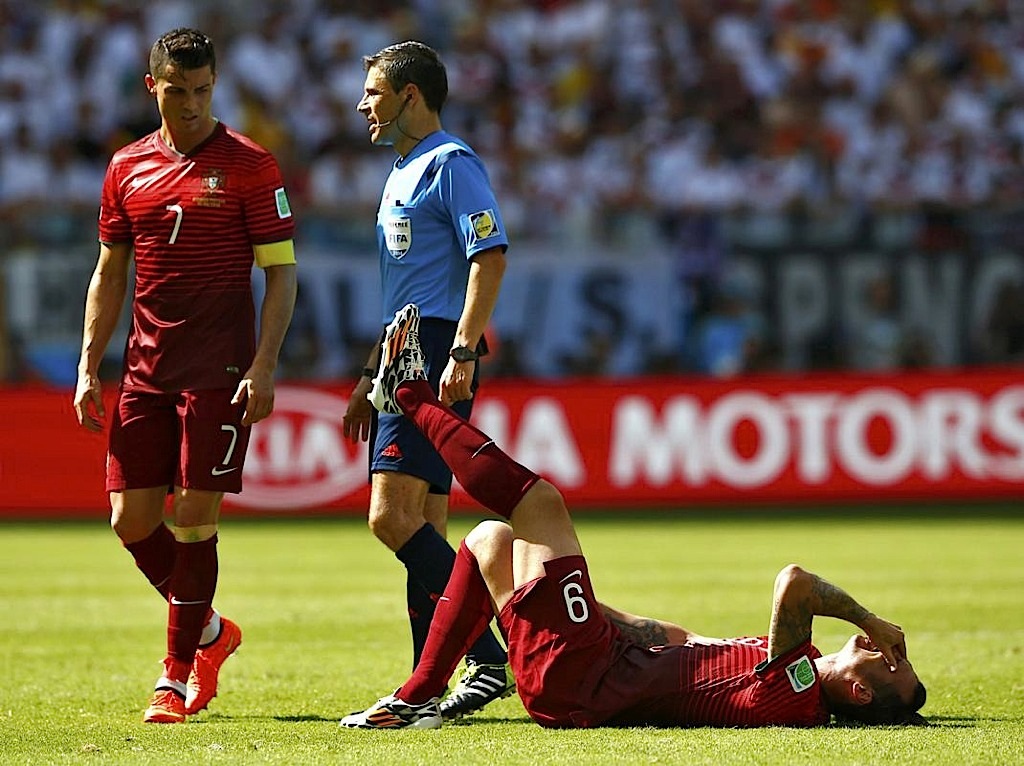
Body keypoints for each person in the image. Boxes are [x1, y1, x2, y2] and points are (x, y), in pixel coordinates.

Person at [341, 304, 927, 730]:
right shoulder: (790, 669)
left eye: (891, 663)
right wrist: (586, 610)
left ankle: (409, 395)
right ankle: (420, 696)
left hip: (585, 677)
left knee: (539, 503)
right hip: (586, 668)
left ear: (858, 692)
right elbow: (678, 640)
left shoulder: (797, 696)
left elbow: (794, 582)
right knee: (491, 540)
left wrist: (870, 619)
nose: (884, 649)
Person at [72, 28, 297, 724]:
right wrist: (88, 364)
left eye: (203, 89)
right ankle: (209, 630)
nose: (192, 103)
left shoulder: (251, 164)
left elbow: (281, 274)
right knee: (130, 519)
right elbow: (109, 272)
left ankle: (172, 677)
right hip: (145, 368)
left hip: (220, 370)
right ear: (153, 87)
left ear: (215, 84)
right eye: (178, 90)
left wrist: (264, 364)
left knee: (194, 518)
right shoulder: (126, 167)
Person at [341, 41, 512, 720]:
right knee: (428, 525)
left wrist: (462, 348)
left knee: (390, 517)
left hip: (433, 348)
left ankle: (488, 657)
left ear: (410, 94)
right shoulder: (400, 171)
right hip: (402, 349)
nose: (363, 105)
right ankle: (429, 683)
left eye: (374, 93)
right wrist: (370, 374)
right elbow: (403, 292)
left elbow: (489, 254)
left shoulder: (451, 163)